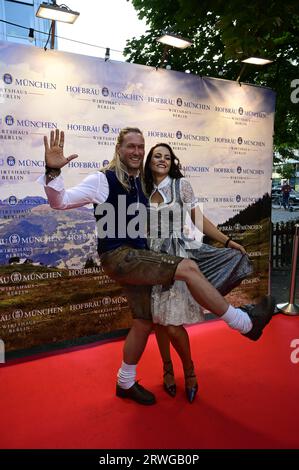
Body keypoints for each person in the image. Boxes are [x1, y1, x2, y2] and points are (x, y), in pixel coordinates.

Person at [39, 127, 275, 406]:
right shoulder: (102, 179)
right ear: (119, 148)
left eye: (141, 146)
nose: (137, 151)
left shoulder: (141, 183)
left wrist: (225, 240)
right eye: (131, 146)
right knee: (187, 268)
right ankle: (244, 322)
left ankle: (125, 383)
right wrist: (53, 172)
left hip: (141, 258)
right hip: (121, 257)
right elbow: (60, 202)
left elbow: (192, 218)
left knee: (143, 321)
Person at [145, 143, 253, 402]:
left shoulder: (181, 185)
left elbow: (199, 220)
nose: (162, 160)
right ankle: (167, 369)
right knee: (158, 321)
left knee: (172, 325)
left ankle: (190, 372)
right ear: (149, 161)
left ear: (172, 162)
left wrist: (227, 241)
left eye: (167, 157)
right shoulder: (141, 187)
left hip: (178, 259)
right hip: (148, 261)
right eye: (157, 156)